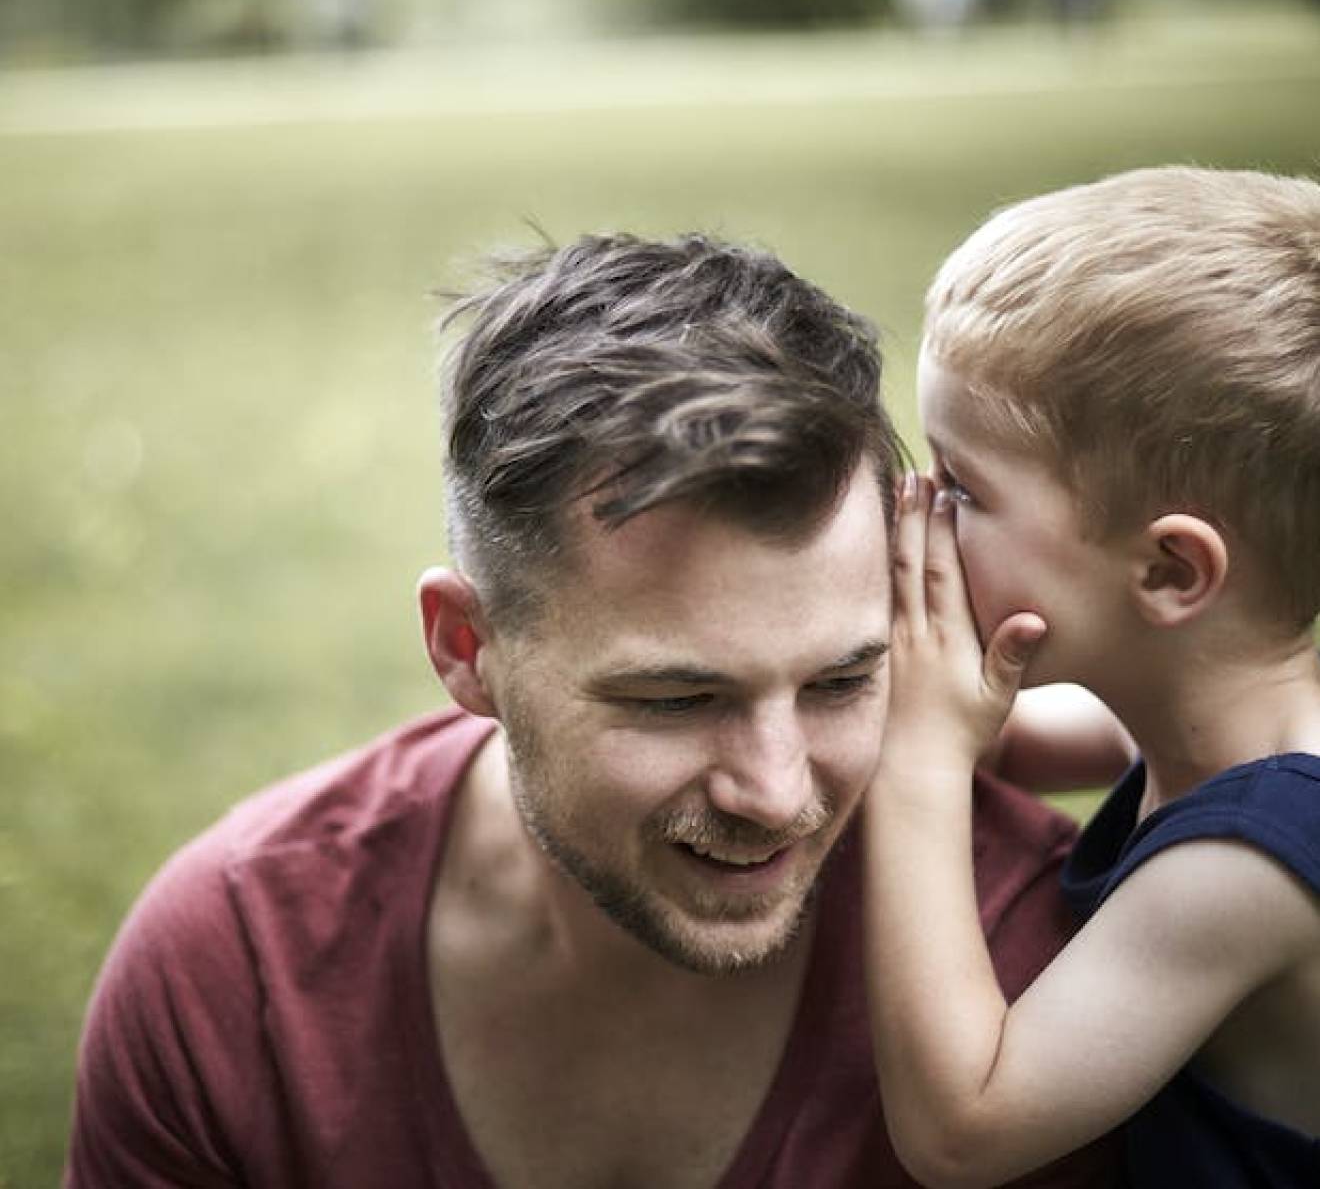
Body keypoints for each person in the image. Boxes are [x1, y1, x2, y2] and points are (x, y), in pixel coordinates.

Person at [66, 233, 1121, 1187]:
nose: (776, 789)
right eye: (676, 698)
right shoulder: (237, 972)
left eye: (843, 682)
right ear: (466, 649)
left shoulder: (1040, 981)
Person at [865, 166, 1320, 1188]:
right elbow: (1018, 738)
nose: (921, 510)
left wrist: (918, 763)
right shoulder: (1219, 726)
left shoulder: (1249, 872)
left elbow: (963, 1129)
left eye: (964, 487)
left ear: (1167, 572)